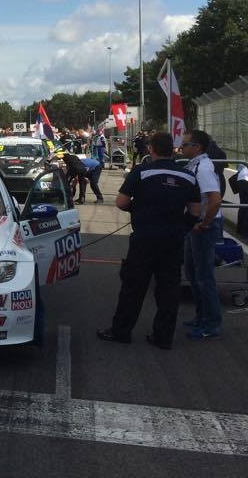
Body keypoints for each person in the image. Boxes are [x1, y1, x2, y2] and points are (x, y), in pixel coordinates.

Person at [96, 132, 200, 348]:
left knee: (133, 287)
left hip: (145, 238)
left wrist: (138, 208)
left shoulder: (141, 172)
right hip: (173, 240)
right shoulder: (189, 176)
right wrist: (182, 228)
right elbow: (195, 211)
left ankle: (121, 331)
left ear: (151, 149)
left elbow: (121, 202)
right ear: (173, 150)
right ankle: (163, 337)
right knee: (168, 290)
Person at [181, 130, 223, 340]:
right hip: (196, 225)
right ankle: (201, 316)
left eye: (185, 145)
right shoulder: (195, 165)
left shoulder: (203, 168)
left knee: (205, 277)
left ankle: (211, 324)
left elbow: (215, 200)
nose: (182, 148)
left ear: (197, 147)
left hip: (204, 227)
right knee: (192, 272)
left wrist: (204, 223)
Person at [234, 163, 248, 240]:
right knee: (246, 207)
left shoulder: (244, 166)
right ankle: (245, 233)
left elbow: (238, 167)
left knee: (243, 206)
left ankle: (239, 230)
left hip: (240, 180)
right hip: (245, 181)